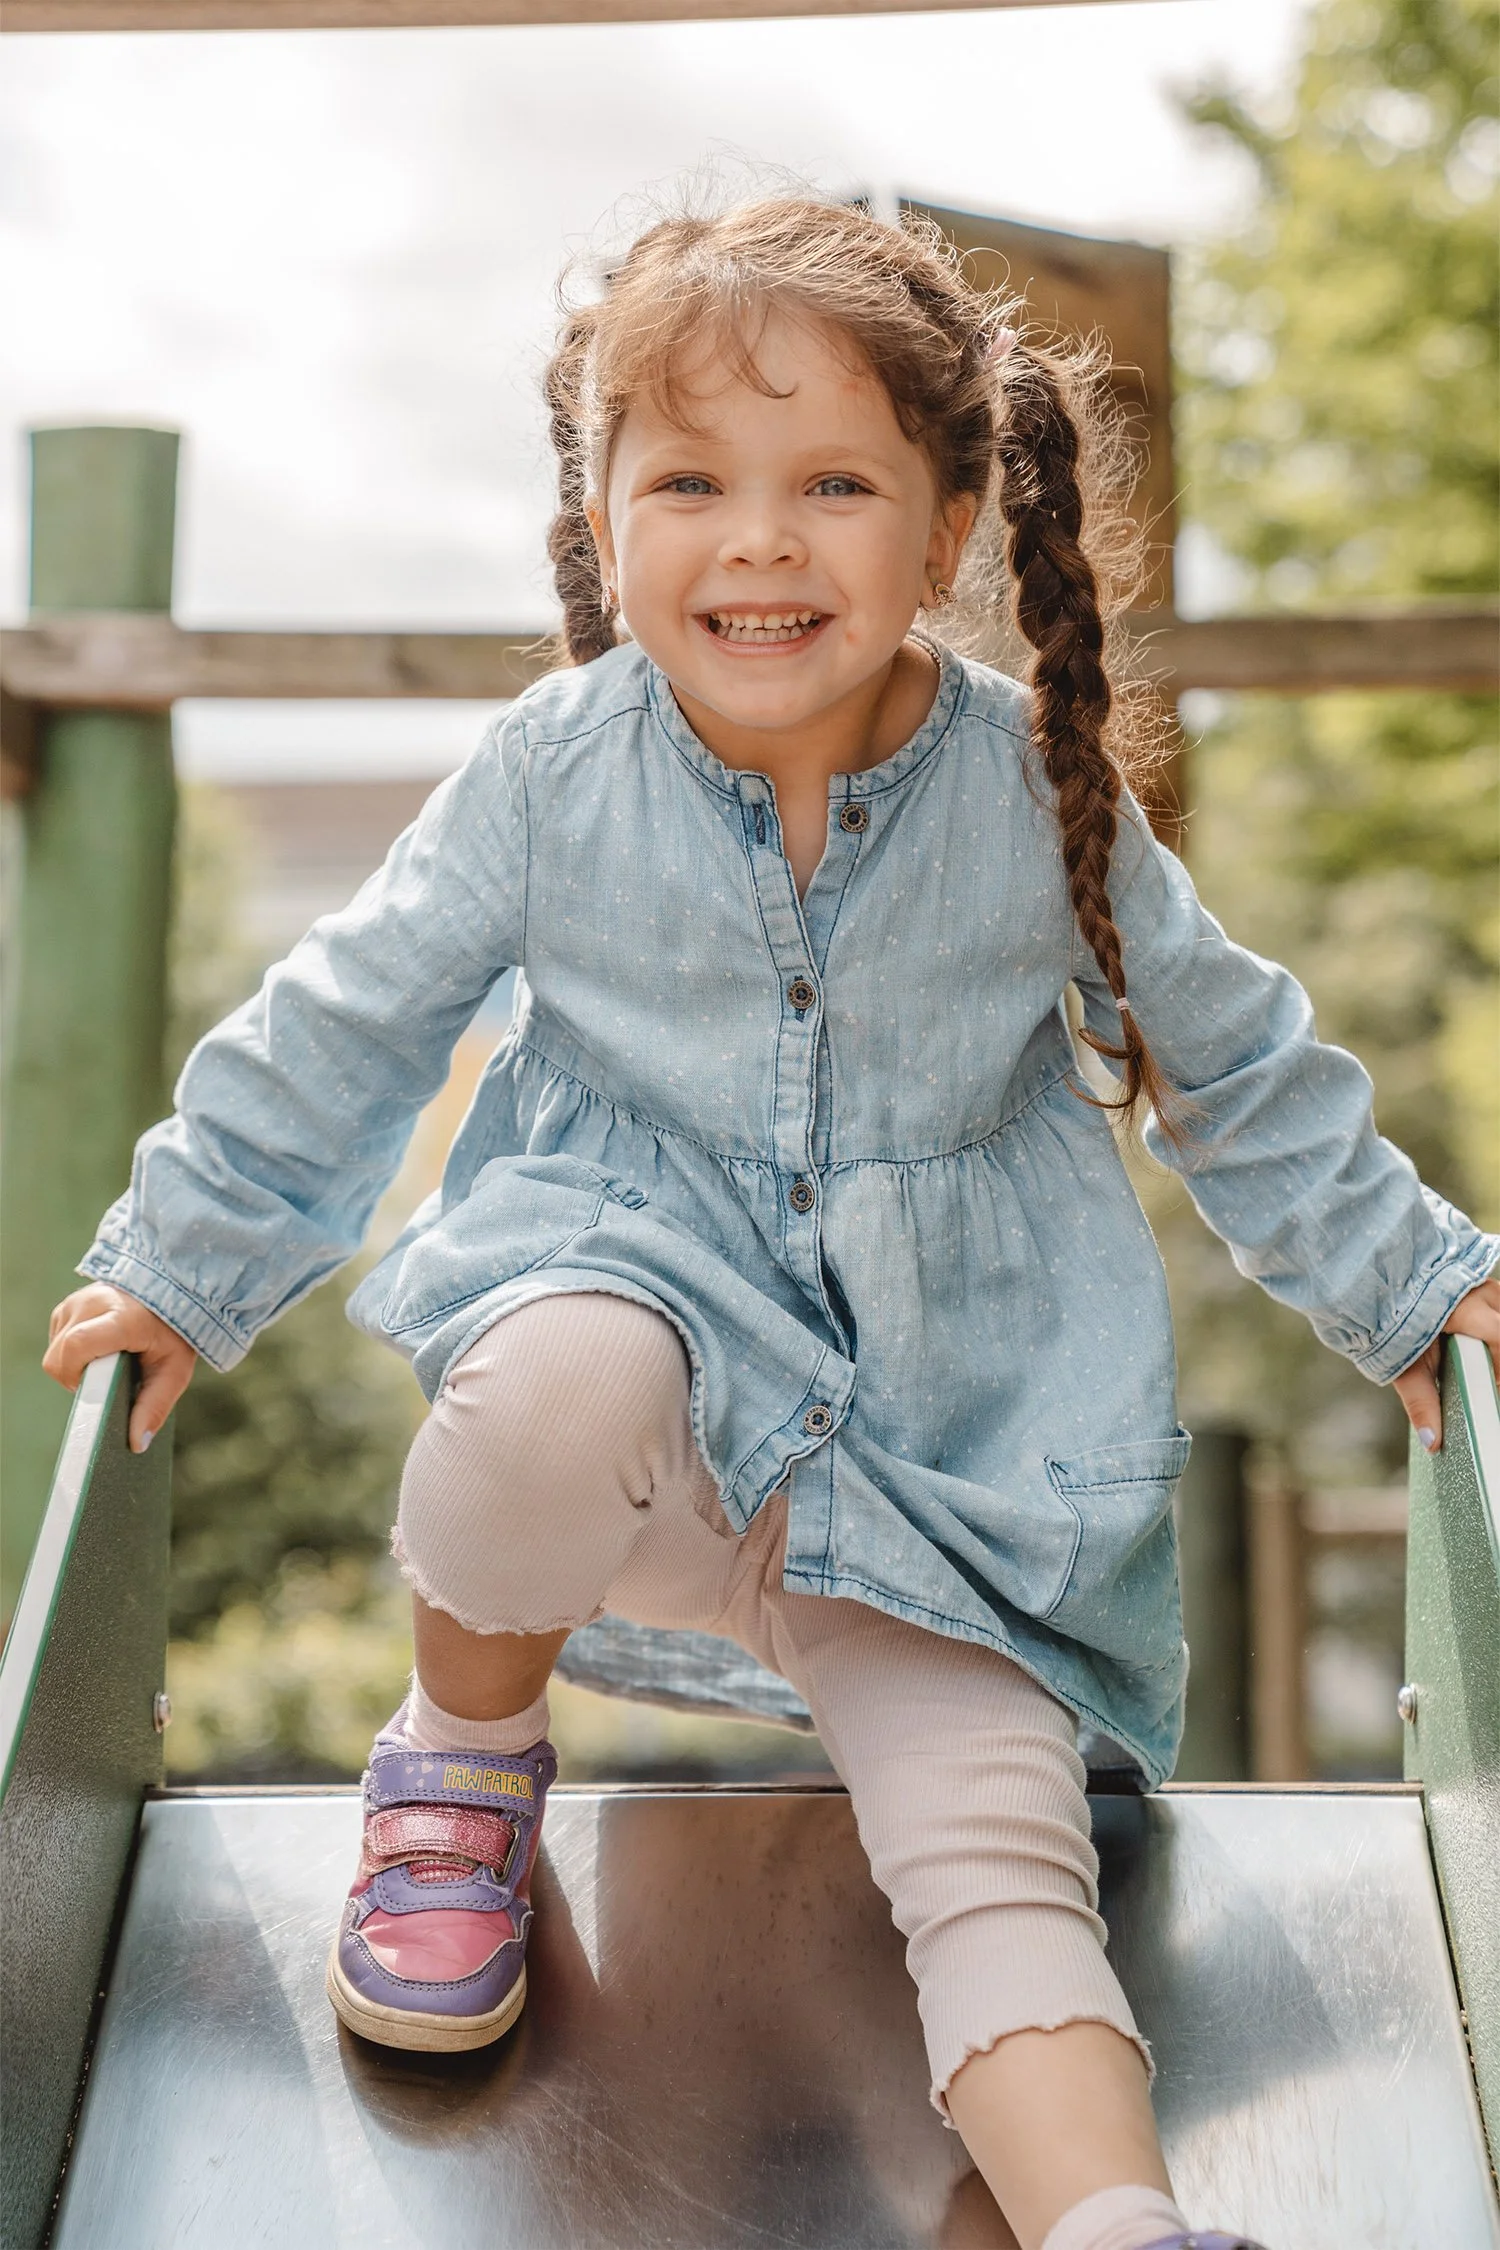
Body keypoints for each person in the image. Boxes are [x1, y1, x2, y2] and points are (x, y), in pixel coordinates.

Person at [44, 197, 1499, 2250]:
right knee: (562, 1363)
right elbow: (346, 1020)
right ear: (599, 507)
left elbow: (1232, 1061)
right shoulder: (556, 777)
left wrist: (1421, 1283)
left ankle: (1119, 2224)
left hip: (941, 1473)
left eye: (834, 483)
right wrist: (183, 1260)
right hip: (640, 1431)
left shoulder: (1029, 789)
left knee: (1001, 1866)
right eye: (691, 483)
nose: (759, 541)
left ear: (951, 523)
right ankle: (460, 1759)